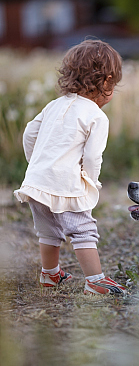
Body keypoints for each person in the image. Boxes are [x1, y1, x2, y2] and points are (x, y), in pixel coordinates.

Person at [14, 39, 126, 296]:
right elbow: (92, 156)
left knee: (48, 231)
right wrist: (90, 180)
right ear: (107, 81)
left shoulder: (54, 105)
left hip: (36, 182)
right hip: (66, 183)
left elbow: (29, 134)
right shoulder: (96, 116)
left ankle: (50, 274)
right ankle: (95, 280)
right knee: (83, 229)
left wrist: (37, 164)